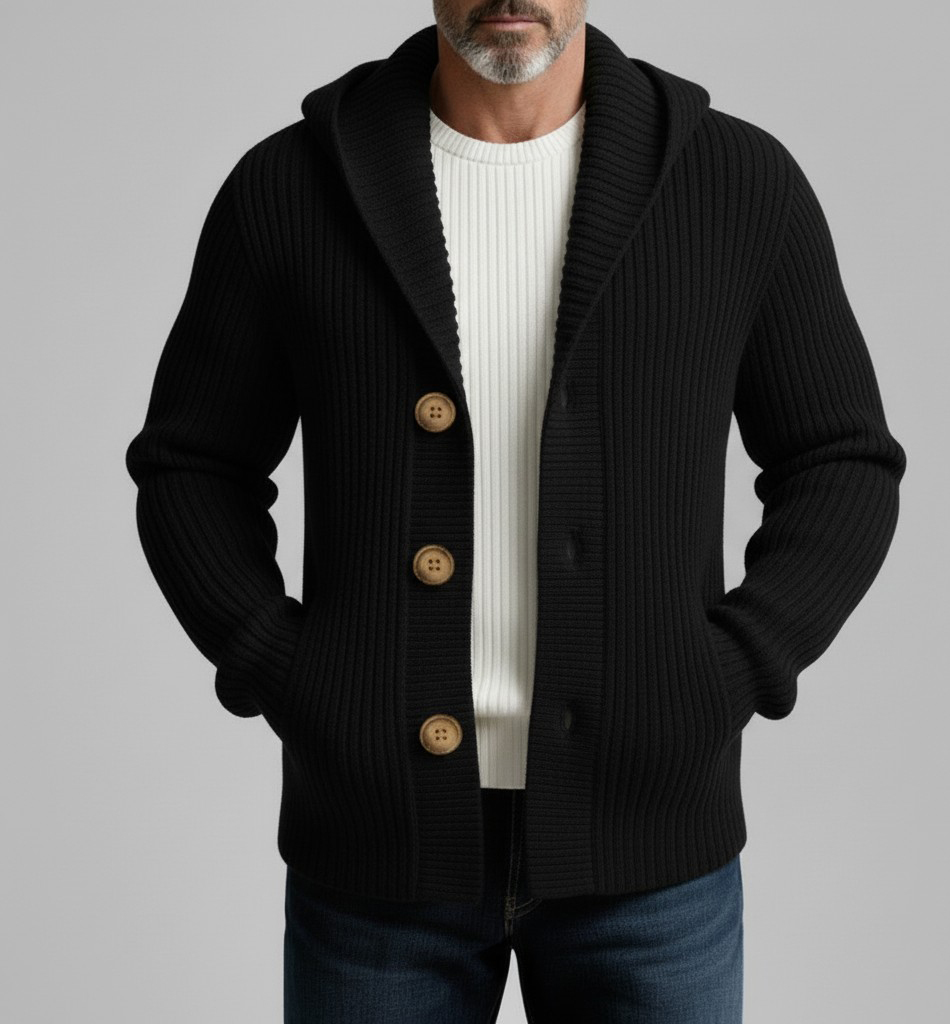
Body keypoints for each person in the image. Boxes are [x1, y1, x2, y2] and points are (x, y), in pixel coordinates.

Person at [124, 3, 907, 1020]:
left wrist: (732, 667)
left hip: (652, 855)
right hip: (376, 856)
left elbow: (839, 458)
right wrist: (286, 670)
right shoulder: (290, 187)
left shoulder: (736, 184)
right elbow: (192, 464)